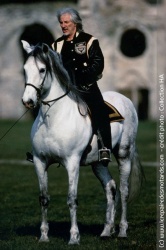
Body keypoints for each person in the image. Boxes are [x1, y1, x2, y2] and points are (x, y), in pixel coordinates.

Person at [52, 7, 112, 162]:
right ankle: (43, 149)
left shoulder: (89, 40)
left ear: (75, 23)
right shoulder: (56, 45)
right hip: (66, 90)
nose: (63, 25)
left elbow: (98, 64)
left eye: (66, 22)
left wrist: (82, 78)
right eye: (61, 22)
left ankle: (105, 147)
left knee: (100, 110)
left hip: (87, 87)